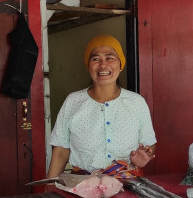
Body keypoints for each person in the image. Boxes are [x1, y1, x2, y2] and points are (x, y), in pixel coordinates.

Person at [48, 34, 156, 179]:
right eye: (95, 59)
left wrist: (141, 159)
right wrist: (50, 187)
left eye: (110, 57)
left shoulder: (136, 102)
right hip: (82, 185)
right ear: (88, 65)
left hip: (128, 184)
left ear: (120, 64)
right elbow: (61, 150)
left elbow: (149, 144)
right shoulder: (73, 102)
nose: (103, 64)